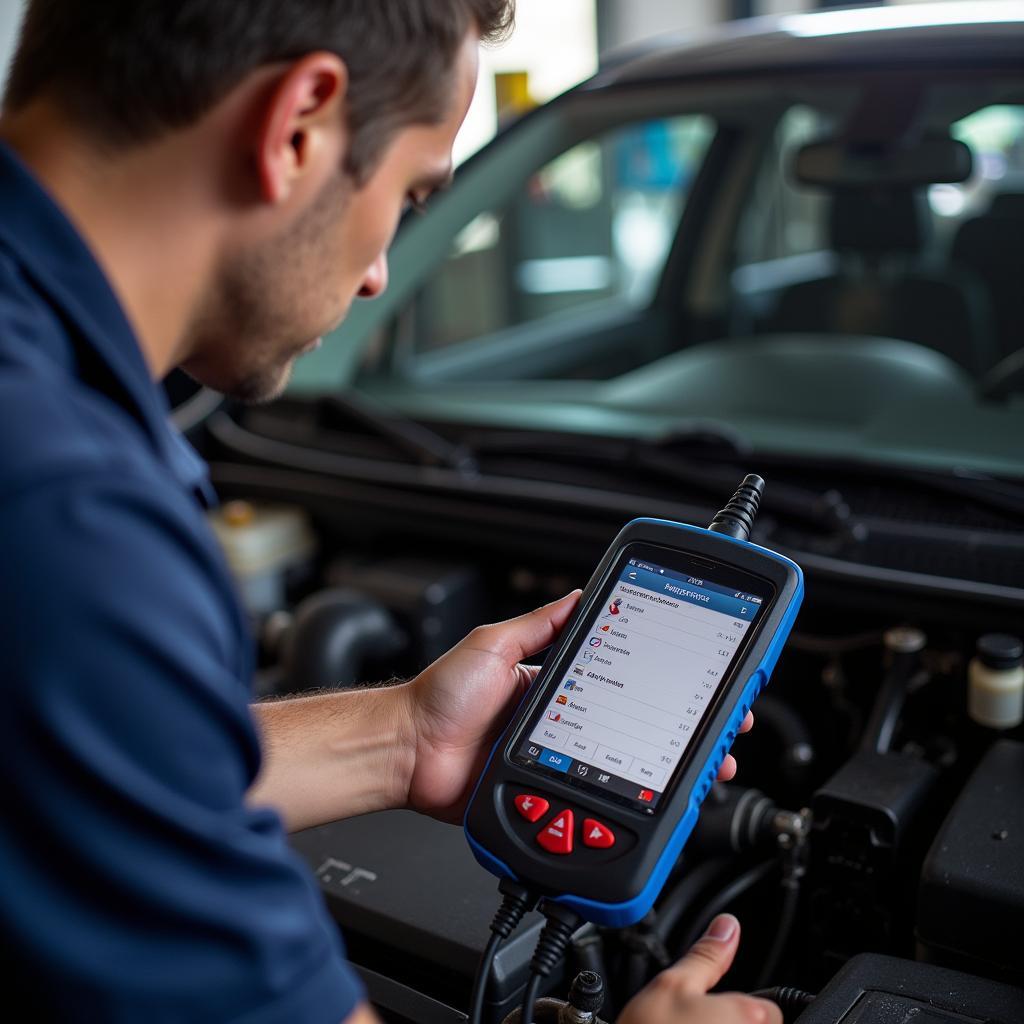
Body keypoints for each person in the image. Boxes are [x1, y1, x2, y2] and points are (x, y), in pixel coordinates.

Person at [0, 2, 779, 1021]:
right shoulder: (71, 514)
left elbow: (84, 778)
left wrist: (406, 735)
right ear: (299, 124)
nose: (377, 276)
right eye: (412, 192)